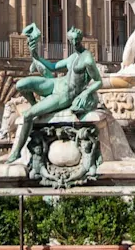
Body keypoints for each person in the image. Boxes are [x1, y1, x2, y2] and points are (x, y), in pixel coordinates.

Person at [6, 25, 102, 163]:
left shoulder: (87, 59)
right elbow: (52, 67)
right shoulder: (73, 57)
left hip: (65, 95)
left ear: (80, 39)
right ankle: (37, 106)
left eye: (76, 41)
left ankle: (16, 152)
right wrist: (35, 55)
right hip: (57, 84)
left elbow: (99, 81)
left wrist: (86, 92)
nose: (74, 43)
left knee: (27, 115)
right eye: (71, 41)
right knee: (20, 85)